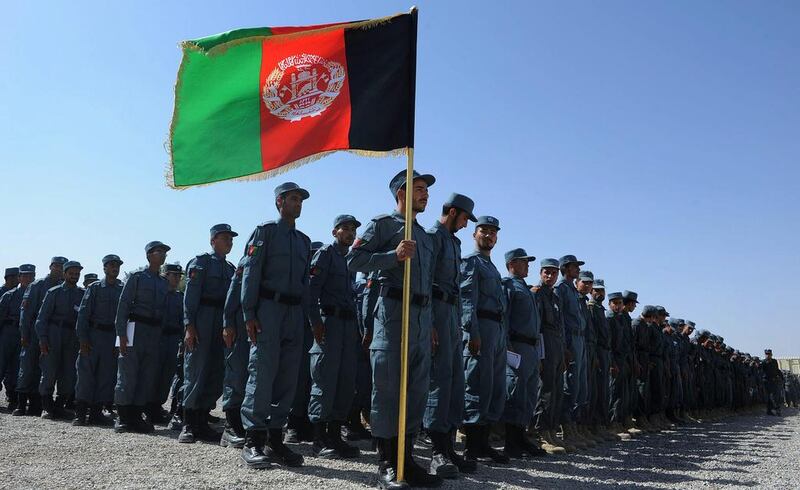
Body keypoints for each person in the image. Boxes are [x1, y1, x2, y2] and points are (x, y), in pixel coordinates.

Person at [347, 169, 442, 488]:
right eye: (418, 189)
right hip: (392, 315)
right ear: (401, 193)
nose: (425, 194)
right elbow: (353, 260)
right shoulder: (383, 225)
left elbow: (427, 282)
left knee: (416, 392)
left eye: (426, 190)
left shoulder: (425, 236)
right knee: (388, 390)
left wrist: (429, 324)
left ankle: (407, 459)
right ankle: (387, 462)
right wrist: (393, 255)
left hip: (420, 318)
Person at [240, 182, 311, 469]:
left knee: (287, 378)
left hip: (294, 313)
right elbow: (251, 273)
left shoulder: (304, 241)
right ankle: (253, 440)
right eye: (293, 199)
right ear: (279, 202)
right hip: (268, 309)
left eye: (301, 200)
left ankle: (274, 439)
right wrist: (248, 313)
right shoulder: (265, 232)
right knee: (263, 372)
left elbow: (306, 283)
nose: (298, 204)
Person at [424, 193, 477, 477]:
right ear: (454, 212)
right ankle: (436, 452)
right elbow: (425, 282)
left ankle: (449, 447)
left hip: (452, 314)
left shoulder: (453, 242)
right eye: (466, 218)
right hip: (437, 312)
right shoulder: (433, 237)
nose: (467, 225)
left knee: (456, 382)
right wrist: (430, 323)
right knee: (439, 381)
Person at [307, 215, 362, 460]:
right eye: (345, 229)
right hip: (328, 321)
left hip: (348, 325)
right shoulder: (325, 255)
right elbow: (311, 292)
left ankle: (335, 435)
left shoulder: (351, 260)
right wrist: (316, 323)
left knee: (345, 381)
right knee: (325, 379)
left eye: (353, 230)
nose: (350, 233)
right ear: (334, 232)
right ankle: (319, 438)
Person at [181, 224, 237, 443]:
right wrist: (189, 326)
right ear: (213, 240)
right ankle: (187, 423)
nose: (229, 242)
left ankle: (202, 421)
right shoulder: (201, 263)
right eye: (225, 238)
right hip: (202, 319)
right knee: (195, 370)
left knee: (215, 372)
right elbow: (190, 297)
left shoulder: (231, 268)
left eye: (231, 239)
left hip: (222, 323)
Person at [461, 215, 510, 465]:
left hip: (497, 331)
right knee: (477, 384)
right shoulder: (471, 262)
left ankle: (483, 442)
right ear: (474, 235)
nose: (489, 236)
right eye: (484, 231)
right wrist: (473, 332)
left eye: (493, 232)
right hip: (481, 327)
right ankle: (471, 445)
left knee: (494, 388)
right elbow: (467, 299)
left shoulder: (492, 266)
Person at [114, 241, 170, 434]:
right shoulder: (137, 277)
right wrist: (121, 334)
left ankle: (136, 415)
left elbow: (163, 312)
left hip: (153, 333)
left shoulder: (163, 282)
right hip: (134, 328)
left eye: (164, 253)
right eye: (158, 252)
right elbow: (123, 306)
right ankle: (123, 417)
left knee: (146, 376)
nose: (162, 255)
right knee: (128, 374)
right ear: (148, 256)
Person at [501, 248, 546, 458]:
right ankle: (511, 442)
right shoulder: (508, 286)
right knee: (516, 393)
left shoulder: (526, 289)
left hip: (531, 347)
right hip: (517, 346)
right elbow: (505, 317)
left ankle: (521, 437)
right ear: (512, 264)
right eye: (524, 262)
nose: (528, 265)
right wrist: (507, 345)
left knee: (528, 395)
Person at [74, 255, 124, 426]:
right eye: (111, 265)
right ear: (104, 268)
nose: (114, 268)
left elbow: (124, 317)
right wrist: (82, 339)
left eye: (117, 266)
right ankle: (80, 414)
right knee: (86, 375)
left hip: (111, 337)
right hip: (93, 335)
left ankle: (96, 413)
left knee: (106, 376)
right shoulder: (95, 288)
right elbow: (83, 314)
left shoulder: (122, 289)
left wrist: (119, 342)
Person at [17, 256, 67, 416]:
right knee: (27, 367)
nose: (59, 269)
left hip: (51, 334)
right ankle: (20, 404)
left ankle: (37, 404)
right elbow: (26, 313)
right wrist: (24, 334)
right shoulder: (37, 285)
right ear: (51, 266)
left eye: (62, 267)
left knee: (45, 369)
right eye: (57, 266)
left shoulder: (63, 287)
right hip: (33, 332)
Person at [36, 260, 84, 419]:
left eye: (77, 274)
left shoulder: (82, 294)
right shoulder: (54, 292)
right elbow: (41, 319)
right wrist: (42, 339)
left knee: (68, 374)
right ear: (64, 274)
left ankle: (59, 406)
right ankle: (46, 407)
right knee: (49, 371)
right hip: (53, 334)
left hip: (72, 337)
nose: (74, 276)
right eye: (71, 273)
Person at [533, 258, 569, 454]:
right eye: (546, 272)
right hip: (545, 343)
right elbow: (537, 327)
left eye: (553, 273)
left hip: (556, 345)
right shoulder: (537, 294)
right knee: (544, 391)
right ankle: (541, 433)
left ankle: (552, 430)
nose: (550, 276)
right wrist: (539, 356)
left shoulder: (555, 297)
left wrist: (563, 353)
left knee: (556, 391)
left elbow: (561, 327)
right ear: (540, 273)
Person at [555, 255, 590, 449]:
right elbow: (560, 320)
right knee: (570, 385)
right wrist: (565, 346)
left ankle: (574, 426)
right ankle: (566, 428)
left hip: (580, 339)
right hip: (570, 339)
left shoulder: (572, 291)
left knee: (580, 386)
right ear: (566, 268)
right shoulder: (561, 289)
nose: (578, 269)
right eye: (575, 266)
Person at [151, 264, 184, 426]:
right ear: (165, 275)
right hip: (157, 338)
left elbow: (183, 321)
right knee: (153, 374)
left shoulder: (180, 297)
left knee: (167, 375)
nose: (178, 279)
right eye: (174, 275)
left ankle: (157, 406)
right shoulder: (157, 294)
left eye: (179, 276)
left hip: (173, 339)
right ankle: (148, 406)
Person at [220, 257, 247, 449]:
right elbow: (232, 294)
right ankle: (230, 426)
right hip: (240, 324)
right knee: (236, 373)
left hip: (261, 324)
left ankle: (244, 423)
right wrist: (228, 323)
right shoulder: (247, 262)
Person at [0, 265, 32, 412]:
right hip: (8, 332)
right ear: (19, 278)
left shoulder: (36, 295)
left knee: (17, 368)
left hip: (25, 334)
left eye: (30, 276)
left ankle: (14, 399)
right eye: (24, 275)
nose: (27, 278)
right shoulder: (9, 295)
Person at [762, 349, 783, 416]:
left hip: (774, 381)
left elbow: (777, 370)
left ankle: (777, 410)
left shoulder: (774, 361)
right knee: (768, 397)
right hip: (766, 381)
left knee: (774, 396)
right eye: (767, 354)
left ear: (771, 355)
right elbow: (761, 371)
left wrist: (781, 377)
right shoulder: (763, 362)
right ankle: (769, 410)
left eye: (769, 354)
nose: (768, 355)